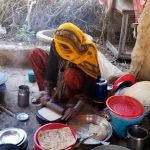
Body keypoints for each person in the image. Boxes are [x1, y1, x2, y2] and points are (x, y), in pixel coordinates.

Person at [29, 23, 101, 120]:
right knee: (35, 53)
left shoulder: (88, 50)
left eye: (66, 46)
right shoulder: (56, 43)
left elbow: (91, 82)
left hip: (76, 82)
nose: (62, 48)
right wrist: (47, 92)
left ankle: (71, 99)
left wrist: (77, 107)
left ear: (75, 43)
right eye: (60, 45)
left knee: (70, 73)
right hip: (60, 76)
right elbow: (52, 67)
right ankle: (47, 97)